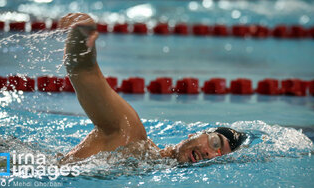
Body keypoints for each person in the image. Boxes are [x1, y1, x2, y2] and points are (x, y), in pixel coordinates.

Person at [58, 13, 246, 165]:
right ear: (195, 134)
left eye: (218, 155)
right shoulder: (129, 134)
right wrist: (83, 35)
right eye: (215, 142)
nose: (209, 153)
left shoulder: (151, 167)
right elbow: (83, 71)